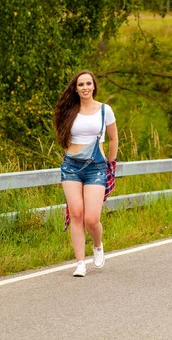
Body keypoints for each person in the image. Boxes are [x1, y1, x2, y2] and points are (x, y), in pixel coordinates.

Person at [54, 69, 118, 277]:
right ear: (75, 88)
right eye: (81, 84)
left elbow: (113, 138)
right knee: (77, 214)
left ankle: (97, 245)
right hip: (71, 166)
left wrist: (110, 163)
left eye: (88, 84)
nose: (85, 88)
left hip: (96, 168)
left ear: (94, 86)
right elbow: (63, 135)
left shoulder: (104, 110)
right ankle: (80, 262)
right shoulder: (70, 111)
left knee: (91, 218)